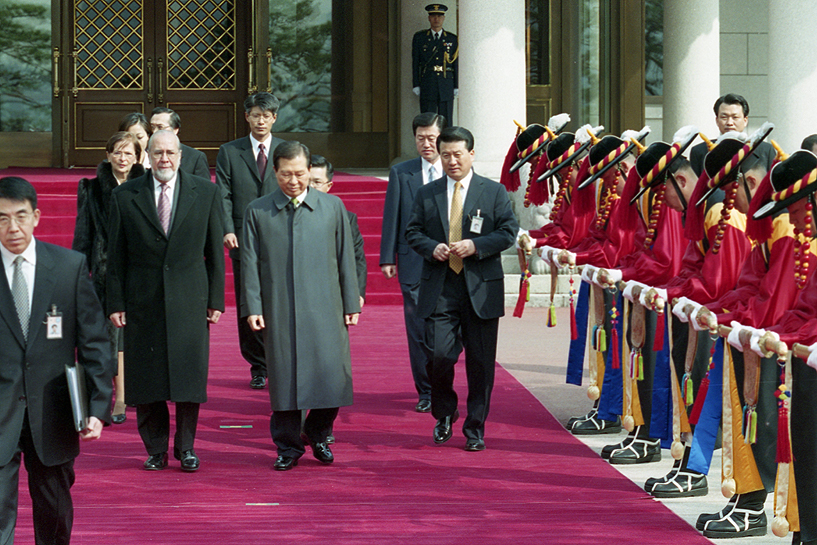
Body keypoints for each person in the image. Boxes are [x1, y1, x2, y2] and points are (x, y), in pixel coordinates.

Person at [0, 176, 113, 544]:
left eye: (20, 215)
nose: (12, 227)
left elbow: (94, 341)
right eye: (1, 218)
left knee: (54, 513)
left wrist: (97, 407)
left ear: (37, 216)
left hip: (53, 413)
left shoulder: (68, 267)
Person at [107, 130, 225, 472]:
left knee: (188, 377)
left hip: (190, 296)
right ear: (148, 156)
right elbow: (116, 257)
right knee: (147, 379)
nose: (164, 159)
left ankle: (186, 448)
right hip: (142, 297)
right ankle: (155, 449)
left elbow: (214, 251)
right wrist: (116, 302)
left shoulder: (206, 192)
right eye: (157, 153)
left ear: (180, 156)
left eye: (170, 153)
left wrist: (215, 298)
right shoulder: (125, 195)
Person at [241, 141, 360, 471]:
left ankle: (319, 433)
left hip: (326, 305)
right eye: (285, 174)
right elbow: (249, 263)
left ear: (310, 171)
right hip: (279, 306)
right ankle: (288, 447)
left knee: (333, 377)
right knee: (284, 380)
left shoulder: (332, 207)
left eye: (299, 173)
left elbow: (345, 259)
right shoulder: (258, 211)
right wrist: (253, 306)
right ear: (275, 173)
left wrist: (352, 301)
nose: (293, 181)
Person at [405, 126, 518, 451]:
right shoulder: (428, 193)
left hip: (480, 288)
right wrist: (431, 248)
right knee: (439, 356)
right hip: (441, 286)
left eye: (458, 154)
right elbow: (412, 231)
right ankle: (445, 412)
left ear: (471, 154)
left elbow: (508, 231)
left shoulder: (493, 191)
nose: (452, 161)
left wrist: (476, 245)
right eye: (446, 155)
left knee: (480, 365)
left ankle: (475, 428)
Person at [72, 131, 146, 425]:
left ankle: (130, 395)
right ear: (108, 155)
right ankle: (114, 398)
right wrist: (79, 273)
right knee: (109, 338)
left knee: (134, 338)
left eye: (129, 153)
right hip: (104, 274)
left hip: (140, 273)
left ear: (138, 157)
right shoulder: (90, 188)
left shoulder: (146, 187)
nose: (123, 158)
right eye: (117, 152)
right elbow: (83, 235)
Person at [215, 92, 285, 389]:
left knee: (280, 299)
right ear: (247, 117)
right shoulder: (230, 152)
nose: (261, 120)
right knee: (249, 300)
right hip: (243, 238)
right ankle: (258, 365)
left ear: (274, 118)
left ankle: (281, 360)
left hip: (282, 236)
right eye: (255, 115)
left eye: (266, 115)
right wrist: (227, 228)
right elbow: (223, 194)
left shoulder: (288, 149)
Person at [379, 112, 445, 413]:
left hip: (449, 264)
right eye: (421, 138)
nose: (426, 144)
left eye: (432, 137)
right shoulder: (401, 172)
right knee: (418, 330)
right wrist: (387, 257)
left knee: (443, 331)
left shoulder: (454, 169)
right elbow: (392, 215)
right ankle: (426, 391)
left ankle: (443, 384)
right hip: (412, 262)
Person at [310, 154, 366, 308]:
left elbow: (357, 258)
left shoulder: (346, 218)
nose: (311, 187)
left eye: (317, 182)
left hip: (332, 293)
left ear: (328, 186)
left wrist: (358, 292)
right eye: (307, 181)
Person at [689, 93, 775, 176]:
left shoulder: (766, 151)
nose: (729, 123)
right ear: (717, 121)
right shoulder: (699, 152)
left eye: (735, 117)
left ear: (745, 120)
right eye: (724, 117)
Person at [412, 4, 458, 123]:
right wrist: (416, 84)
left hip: (446, 83)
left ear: (443, 18)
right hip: (428, 83)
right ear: (429, 18)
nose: (436, 19)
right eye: (433, 16)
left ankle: (446, 142)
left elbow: (456, 64)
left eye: (439, 16)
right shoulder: (420, 38)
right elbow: (415, 63)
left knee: (446, 120)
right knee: (428, 120)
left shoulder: (452, 39)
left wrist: (456, 85)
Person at [149, 107, 211, 180]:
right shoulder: (145, 152)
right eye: (152, 127)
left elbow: (204, 188)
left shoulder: (195, 158)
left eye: (160, 127)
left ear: (175, 129)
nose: (154, 132)